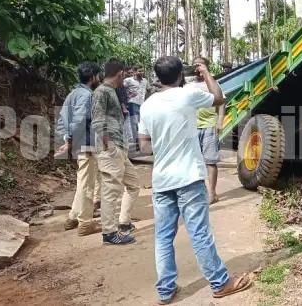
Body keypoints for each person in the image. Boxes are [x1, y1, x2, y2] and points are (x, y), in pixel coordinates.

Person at [138, 56, 252, 304]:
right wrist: (206, 72)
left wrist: (165, 145)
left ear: (157, 77)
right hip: (188, 177)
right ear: (180, 75)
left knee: (163, 236)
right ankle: (220, 283)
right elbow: (219, 98)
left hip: (162, 180)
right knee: (199, 233)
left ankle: (166, 290)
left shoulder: (147, 105)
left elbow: (144, 146)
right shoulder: (187, 95)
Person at [92, 58, 141, 245]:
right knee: (110, 190)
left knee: (133, 184)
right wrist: (108, 144)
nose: (125, 78)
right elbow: (97, 120)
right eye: (125, 75)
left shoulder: (111, 91)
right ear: (120, 73)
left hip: (118, 147)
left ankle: (123, 222)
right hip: (110, 148)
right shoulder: (102, 91)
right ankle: (109, 232)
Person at [55, 62, 102, 236]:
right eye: (98, 75)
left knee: (83, 180)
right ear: (93, 77)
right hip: (86, 143)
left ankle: (73, 217)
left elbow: (63, 120)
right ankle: (85, 223)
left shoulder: (72, 94)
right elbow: (80, 120)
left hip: (79, 144)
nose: (100, 78)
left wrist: (67, 139)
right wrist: (70, 141)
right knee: (87, 184)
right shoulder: (87, 95)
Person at [183, 57, 224, 204]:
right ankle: (195, 192)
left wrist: (220, 121)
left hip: (209, 125)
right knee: (192, 161)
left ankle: (212, 193)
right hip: (191, 126)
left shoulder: (213, 83)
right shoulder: (188, 85)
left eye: (200, 65)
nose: (197, 68)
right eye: (195, 65)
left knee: (210, 160)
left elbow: (221, 102)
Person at [123, 66, 148, 147]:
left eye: (142, 71)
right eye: (139, 71)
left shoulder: (145, 81)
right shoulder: (128, 80)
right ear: (135, 72)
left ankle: (140, 141)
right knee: (134, 123)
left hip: (142, 104)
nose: (141, 73)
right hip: (132, 103)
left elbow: (147, 90)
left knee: (141, 123)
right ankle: (136, 141)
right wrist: (128, 96)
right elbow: (120, 89)